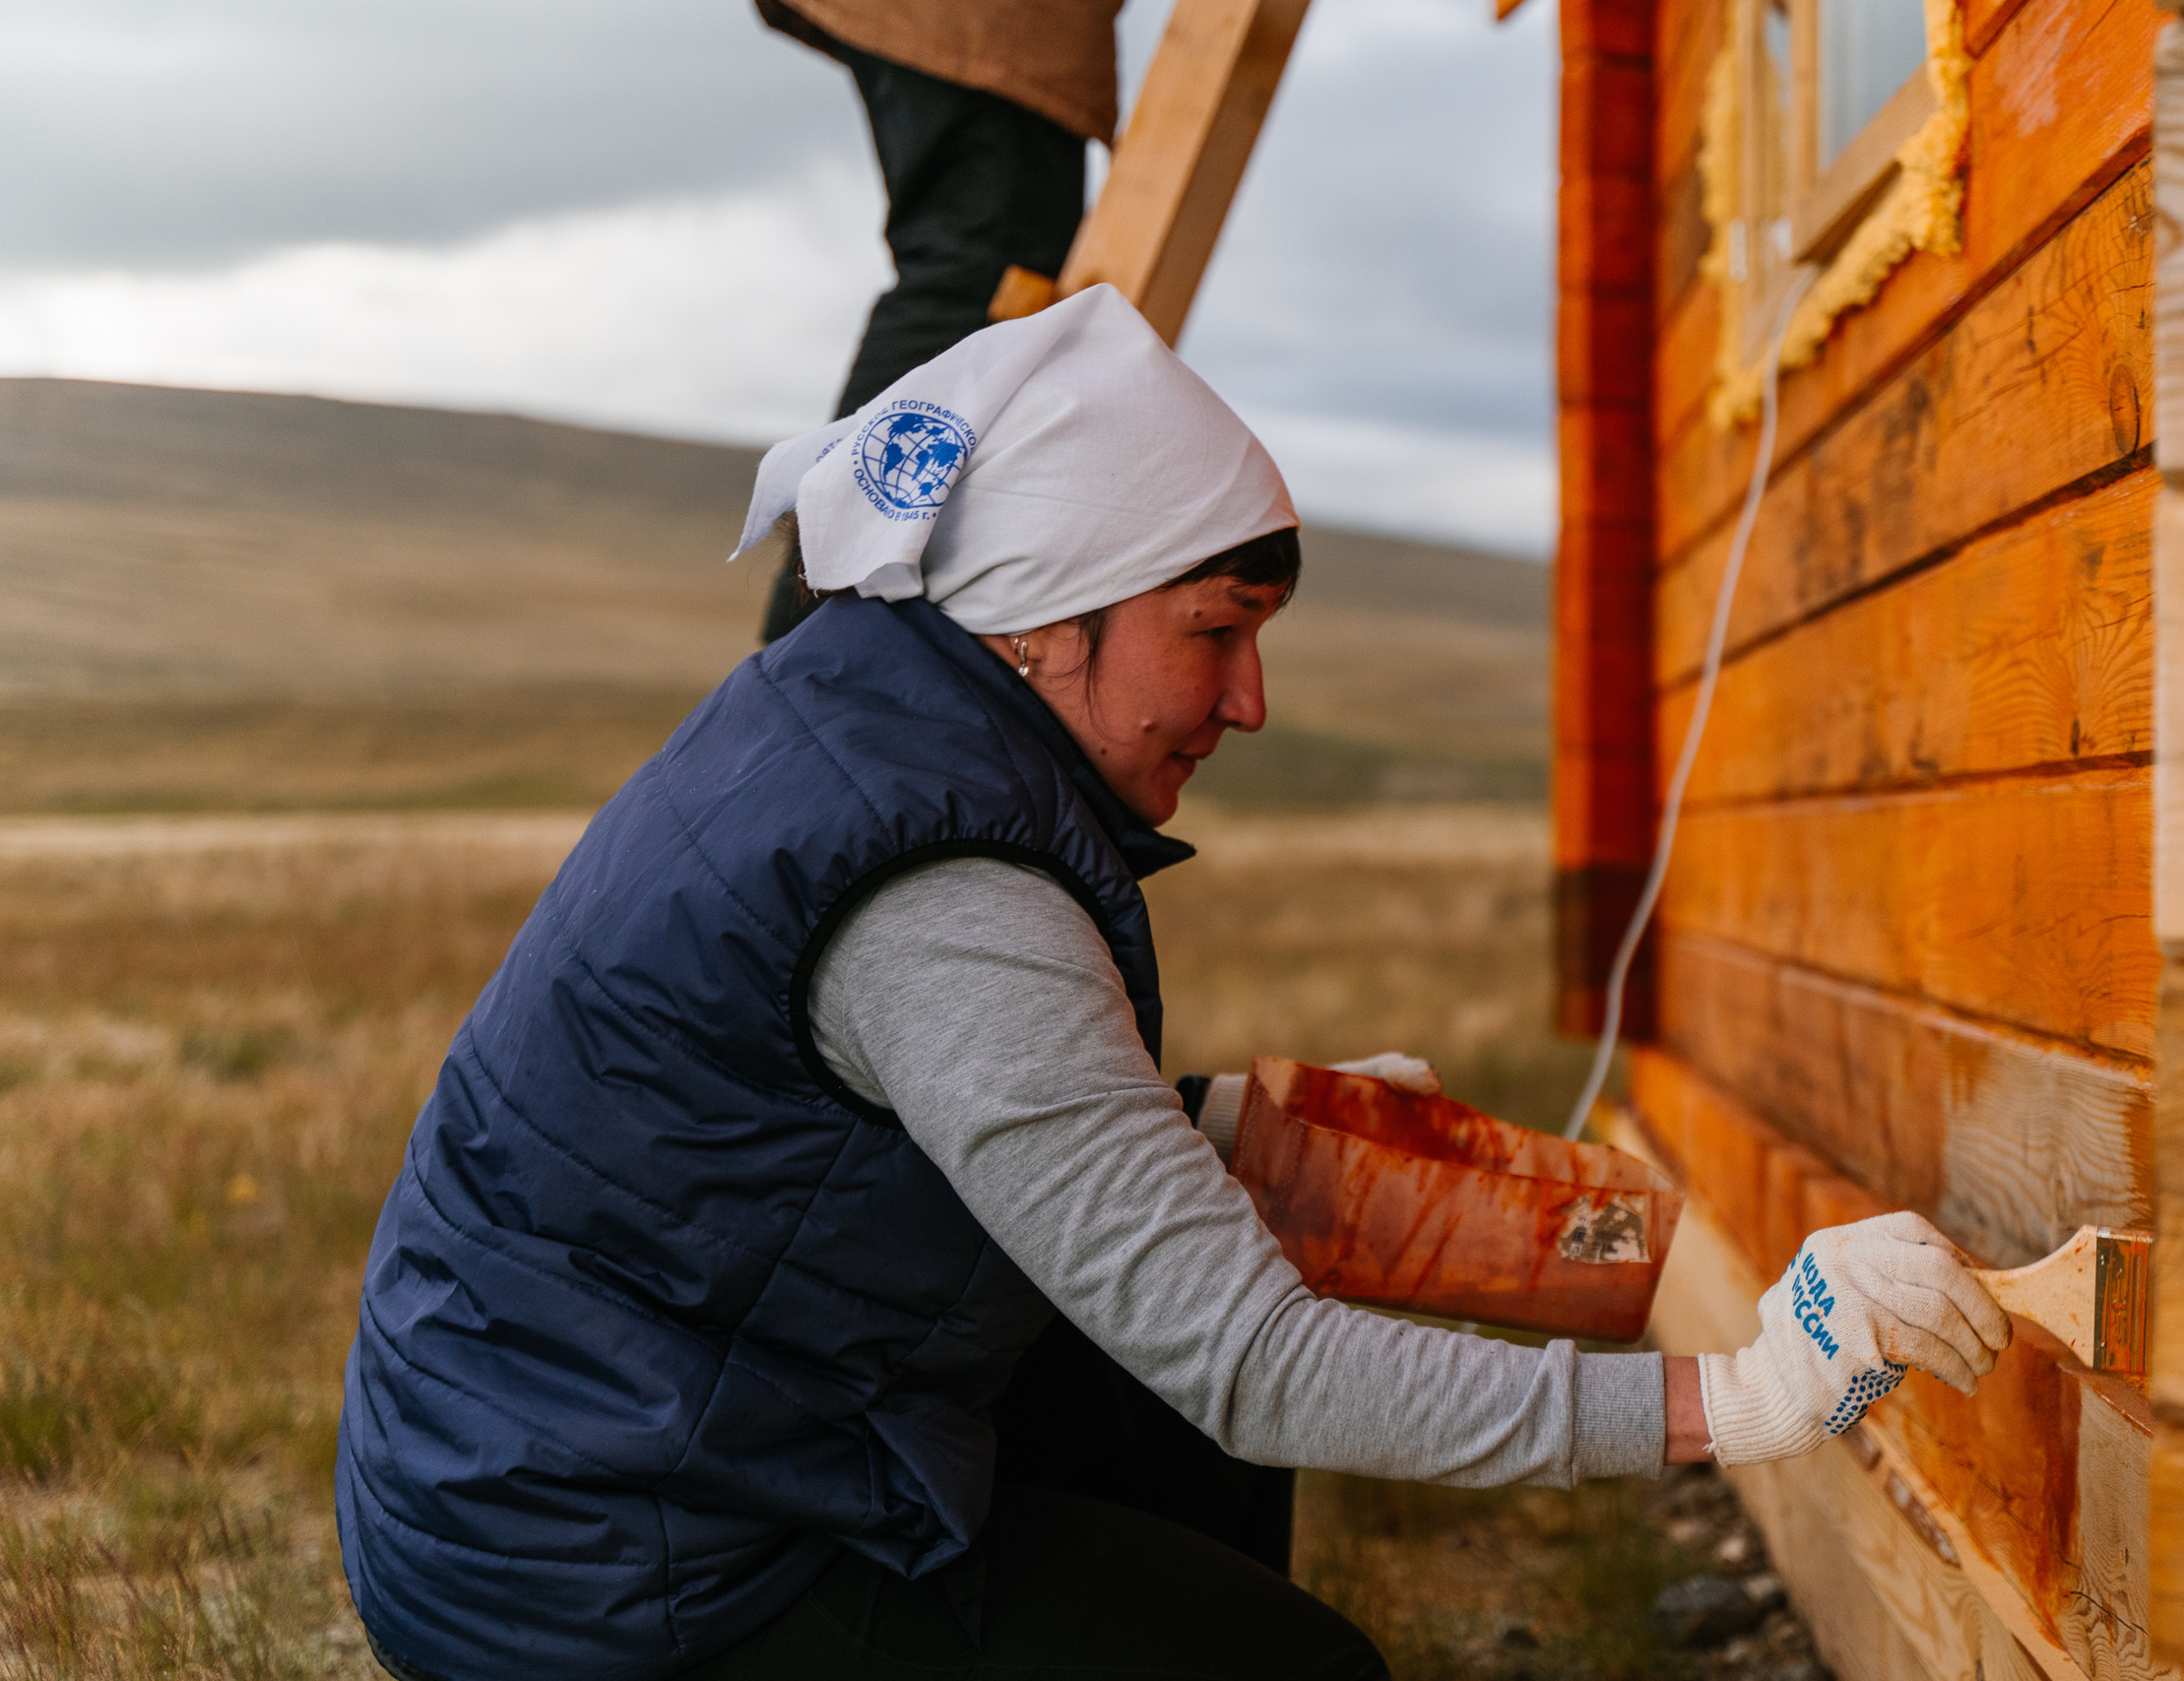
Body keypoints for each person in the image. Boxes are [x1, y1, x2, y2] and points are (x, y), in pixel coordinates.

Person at [334, 287, 2011, 1681]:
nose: (1252, 698)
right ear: (1050, 614)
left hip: (586, 1445)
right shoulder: (946, 895)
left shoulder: (861, 718)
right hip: (602, 1572)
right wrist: (1745, 1390)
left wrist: (1203, 1131)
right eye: (1213, 632)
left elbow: (808, 1135)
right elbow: (1254, 1356)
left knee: (1172, 1414)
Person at [749, 0, 1122, 644]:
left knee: (986, 280)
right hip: (987, 24)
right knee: (983, 279)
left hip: (994, 30)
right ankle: (819, 639)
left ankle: (823, 634)